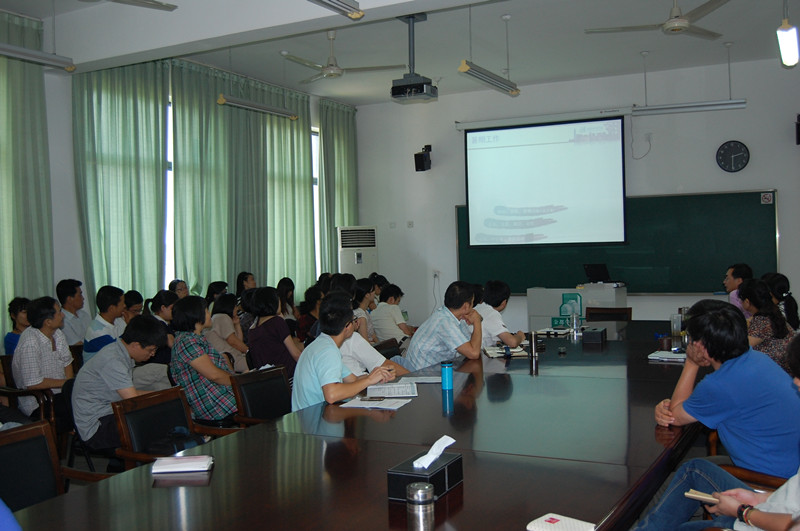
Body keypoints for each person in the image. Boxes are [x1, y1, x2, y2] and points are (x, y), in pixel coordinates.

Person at [633, 333, 800, 530]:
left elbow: (674, 417)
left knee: (691, 471)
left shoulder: (724, 382)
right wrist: (757, 499)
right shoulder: (756, 361)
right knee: (687, 472)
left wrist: (743, 511)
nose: (795, 382)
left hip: (762, 498)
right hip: (771, 494)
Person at [654, 299, 800, 479]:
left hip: (770, 480)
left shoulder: (720, 384)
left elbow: (674, 417)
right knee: (695, 467)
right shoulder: (757, 359)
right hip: (788, 468)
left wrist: (691, 362)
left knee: (687, 472)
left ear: (699, 345)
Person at [71, 315, 167, 451]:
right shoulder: (113, 360)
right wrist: (165, 398)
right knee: (158, 421)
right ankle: (145, 461)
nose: (153, 354)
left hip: (111, 412)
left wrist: (164, 395)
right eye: (151, 350)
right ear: (136, 345)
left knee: (161, 411)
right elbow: (133, 400)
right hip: (97, 427)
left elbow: (131, 394)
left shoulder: (119, 351)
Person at [291, 292, 393, 411]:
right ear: (347, 326)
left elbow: (353, 380)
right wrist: (369, 380)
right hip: (313, 419)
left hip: (313, 415)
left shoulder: (322, 343)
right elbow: (332, 395)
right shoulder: (328, 351)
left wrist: (376, 375)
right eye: (354, 320)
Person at [170, 296, 237, 423]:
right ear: (195, 314)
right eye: (206, 310)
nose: (209, 314)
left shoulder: (195, 338)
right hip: (215, 403)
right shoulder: (186, 341)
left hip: (220, 395)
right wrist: (240, 382)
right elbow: (214, 375)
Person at [10, 297, 73, 430]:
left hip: (59, 395)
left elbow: (67, 362)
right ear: (48, 322)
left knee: (89, 397)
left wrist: (70, 386)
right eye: (59, 312)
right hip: (39, 402)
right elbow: (33, 383)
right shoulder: (30, 342)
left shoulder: (57, 334)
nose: (63, 315)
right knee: (84, 404)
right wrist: (67, 384)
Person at [404, 281, 483, 372]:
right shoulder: (445, 322)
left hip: (433, 370)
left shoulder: (450, 314)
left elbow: (472, 345)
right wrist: (477, 321)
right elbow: (474, 353)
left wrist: (475, 321)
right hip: (420, 374)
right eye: (472, 303)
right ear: (466, 306)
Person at [738, 278, 795, 372]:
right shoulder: (772, 313)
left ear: (747, 302)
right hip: (785, 370)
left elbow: (741, 347)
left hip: (779, 372)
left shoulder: (762, 320)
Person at [248, 287, 303, 378]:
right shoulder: (276, 322)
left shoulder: (252, 329)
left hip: (269, 378)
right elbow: (296, 354)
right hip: (289, 375)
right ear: (272, 302)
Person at [205, 293, 249, 373]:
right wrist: (249, 351)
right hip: (232, 360)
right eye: (235, 306)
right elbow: (233, 342)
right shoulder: (221, 317)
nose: (237, 309)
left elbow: (238, 341)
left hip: (234, 358)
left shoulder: (219, 318)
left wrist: (237, 324)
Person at [475, 280, 525, 348]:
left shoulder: (476, 308)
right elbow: (512, 342)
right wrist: (520, 336)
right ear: (504, 302)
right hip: (480, 353)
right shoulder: (492, 314)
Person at [83, 285, 126, 363]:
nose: (125, 306)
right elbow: (120, 354)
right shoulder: (97, 332)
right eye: (122, 304)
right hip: (100, 370)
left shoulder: (119, 320)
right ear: (112, 308)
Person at [142, 289, 179, 366]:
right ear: (163, 308)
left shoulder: (153, 321)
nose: (176, 311)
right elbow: (173, 345)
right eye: (173, 308)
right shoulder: (159, 324)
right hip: (159, 365)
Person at [56, 279, 92, 346]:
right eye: (80, 295)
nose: (83, 298)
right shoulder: (62, 321)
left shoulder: (84, 314)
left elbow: (95, 335)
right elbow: (77, 345)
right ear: (70, 299)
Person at [353, 278, 378, 344]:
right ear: (367, 295)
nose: (374, 293)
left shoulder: (365, 312)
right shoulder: (360, 316)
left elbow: (373, 335)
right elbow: (365, 342)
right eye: (373, 291)